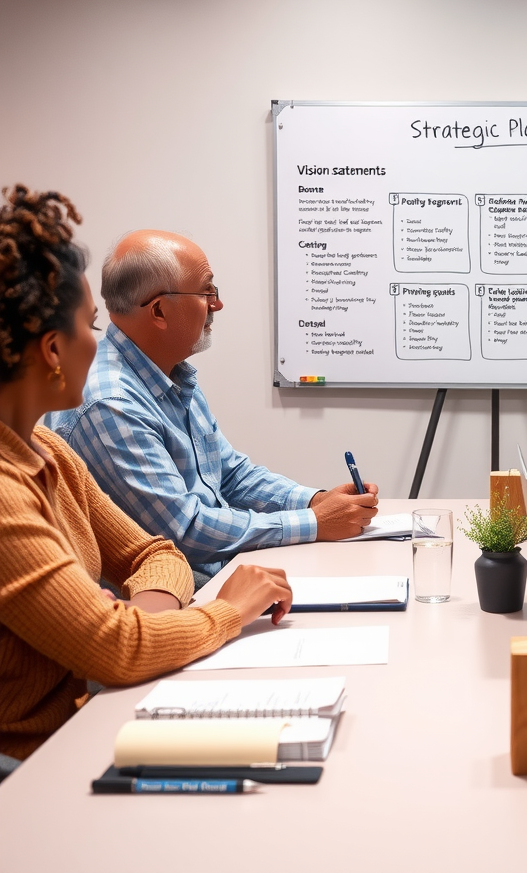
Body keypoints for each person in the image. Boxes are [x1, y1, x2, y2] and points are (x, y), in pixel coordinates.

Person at [0, 185, 294, 761]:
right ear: (54, 349)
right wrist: (228, 611)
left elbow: (155, 553)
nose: (103, 339)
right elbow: (115, 648)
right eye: (91, 324)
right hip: (29, 765)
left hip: (80, 723)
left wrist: (142, 627)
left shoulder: (45, 452)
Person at [47, 229, 378, 587]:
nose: (217, 304)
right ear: (159, 310)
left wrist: (315, 500)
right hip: (174, 604)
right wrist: (314, 522)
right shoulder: (110, 404)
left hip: (215, 580)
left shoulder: (169, 371)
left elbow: (229, 474)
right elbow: (183, 529)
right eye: (207, 291)